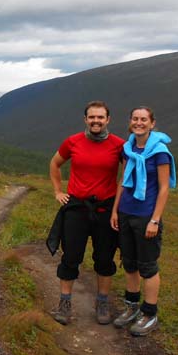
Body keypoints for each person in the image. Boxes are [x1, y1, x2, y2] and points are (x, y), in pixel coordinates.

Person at [48, 100, 125, 325]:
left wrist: (121, 205)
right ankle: (64, 304)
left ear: (108, 120)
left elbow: (128, 174)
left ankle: (102, 303)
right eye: (92, 117)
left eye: (100, 117)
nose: (96, 121)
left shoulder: (119, 145)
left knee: (104, 258)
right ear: (85, 119)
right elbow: (55, 164)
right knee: (71, 257)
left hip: (106, 209)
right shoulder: (73, 142)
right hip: (76, 208)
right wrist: (57, 191)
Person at [110, 106, 176, 336]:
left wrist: (155, 220)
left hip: (146, 216)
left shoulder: (159, 152)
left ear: (152, 123)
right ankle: (131, 308)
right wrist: (115, 211)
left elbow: (164, 188)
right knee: (129, 263)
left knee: (147, 267)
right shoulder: (128, 149)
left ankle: (150, 314)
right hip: (126, 213)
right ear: (130, 122)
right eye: (135, 119)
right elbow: (123, 181)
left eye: (144, 119)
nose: (139, 123)